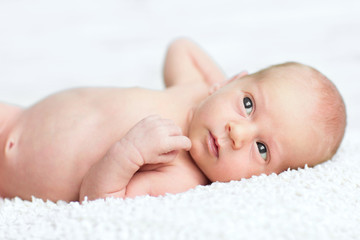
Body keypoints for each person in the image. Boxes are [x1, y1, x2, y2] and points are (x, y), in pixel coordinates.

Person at [0, 39, 346, 202]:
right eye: (247, 103)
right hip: (14, 116)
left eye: (262, 148)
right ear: (230, 82)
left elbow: (100, 201)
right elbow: (181, 47)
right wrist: (217, 89)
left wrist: (128, 153)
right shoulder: (195, 90)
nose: (237, 132)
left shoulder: (181, 175)